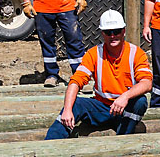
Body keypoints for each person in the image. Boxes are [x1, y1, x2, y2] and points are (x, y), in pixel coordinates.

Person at [45, 10, 152, 140]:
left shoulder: (136, 53)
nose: (112, 36)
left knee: (140, 102)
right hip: (102, 107)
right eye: (108, 32)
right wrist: (68, 110)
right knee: (75, 104)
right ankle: (50, 143)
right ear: (102, 34)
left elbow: (146, 82)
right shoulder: (94, 54)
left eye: (116, 31)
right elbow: (75, 82)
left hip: (125, 108)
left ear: (123, 31)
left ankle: (122, 140)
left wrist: (125, 97)